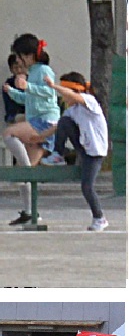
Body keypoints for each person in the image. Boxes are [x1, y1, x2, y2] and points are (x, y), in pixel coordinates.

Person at [38, 72, 110, 232]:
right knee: (64, 121)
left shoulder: (89, 101)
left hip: (95, 152)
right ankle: (58, 155)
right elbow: (58, 127)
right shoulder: (72, 111)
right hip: (84, 147)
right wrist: (39, 137)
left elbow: (75, 96)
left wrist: (53, 86)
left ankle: (100, 218)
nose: (64, 99)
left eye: (65, 94)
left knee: (87, 186)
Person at [3, 34, 60, 226]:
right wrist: (13, 92)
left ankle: (27, 167)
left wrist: (28, 86)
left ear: (28, 55)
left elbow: (50, 92)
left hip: (46, 121)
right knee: (24, 174)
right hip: (37, 120)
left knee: (9, 133)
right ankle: (30, 212)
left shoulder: (43, 70)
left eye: (20, 56)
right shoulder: (33, 72)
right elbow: (28, 98)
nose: (19, 61)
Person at [2, 53, 27, 124]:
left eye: (21, 67)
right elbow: (11, 107)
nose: (19, 70)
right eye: (16, 68)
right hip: (15, 115)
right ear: (11, 69)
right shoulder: (8, 84)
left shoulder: (32, 80)